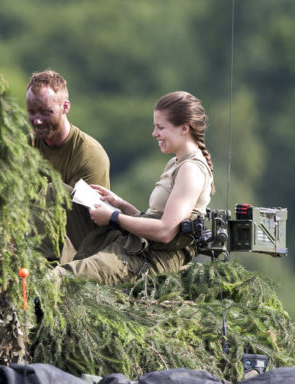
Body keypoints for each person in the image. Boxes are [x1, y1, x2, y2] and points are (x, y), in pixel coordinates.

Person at [56, 91, 214, 284]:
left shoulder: (191, 170)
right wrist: (121, 205)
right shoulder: (176, 163)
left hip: (152, 259)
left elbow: (165, 232)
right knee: (58, 193)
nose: (154, 133)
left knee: (62, 278)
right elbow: (154, 218)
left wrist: (114, 217)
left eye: (160, 127)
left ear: (184, 128)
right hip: (140, 245)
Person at [26, 70, 110, 260]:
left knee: (53, 192)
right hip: (28, 236)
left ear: (65, 107)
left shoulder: (89, 155)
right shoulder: (24, 147)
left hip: (77, 249)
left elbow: (89, 226)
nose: (37, 120)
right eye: (31, 112)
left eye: (46, 112)